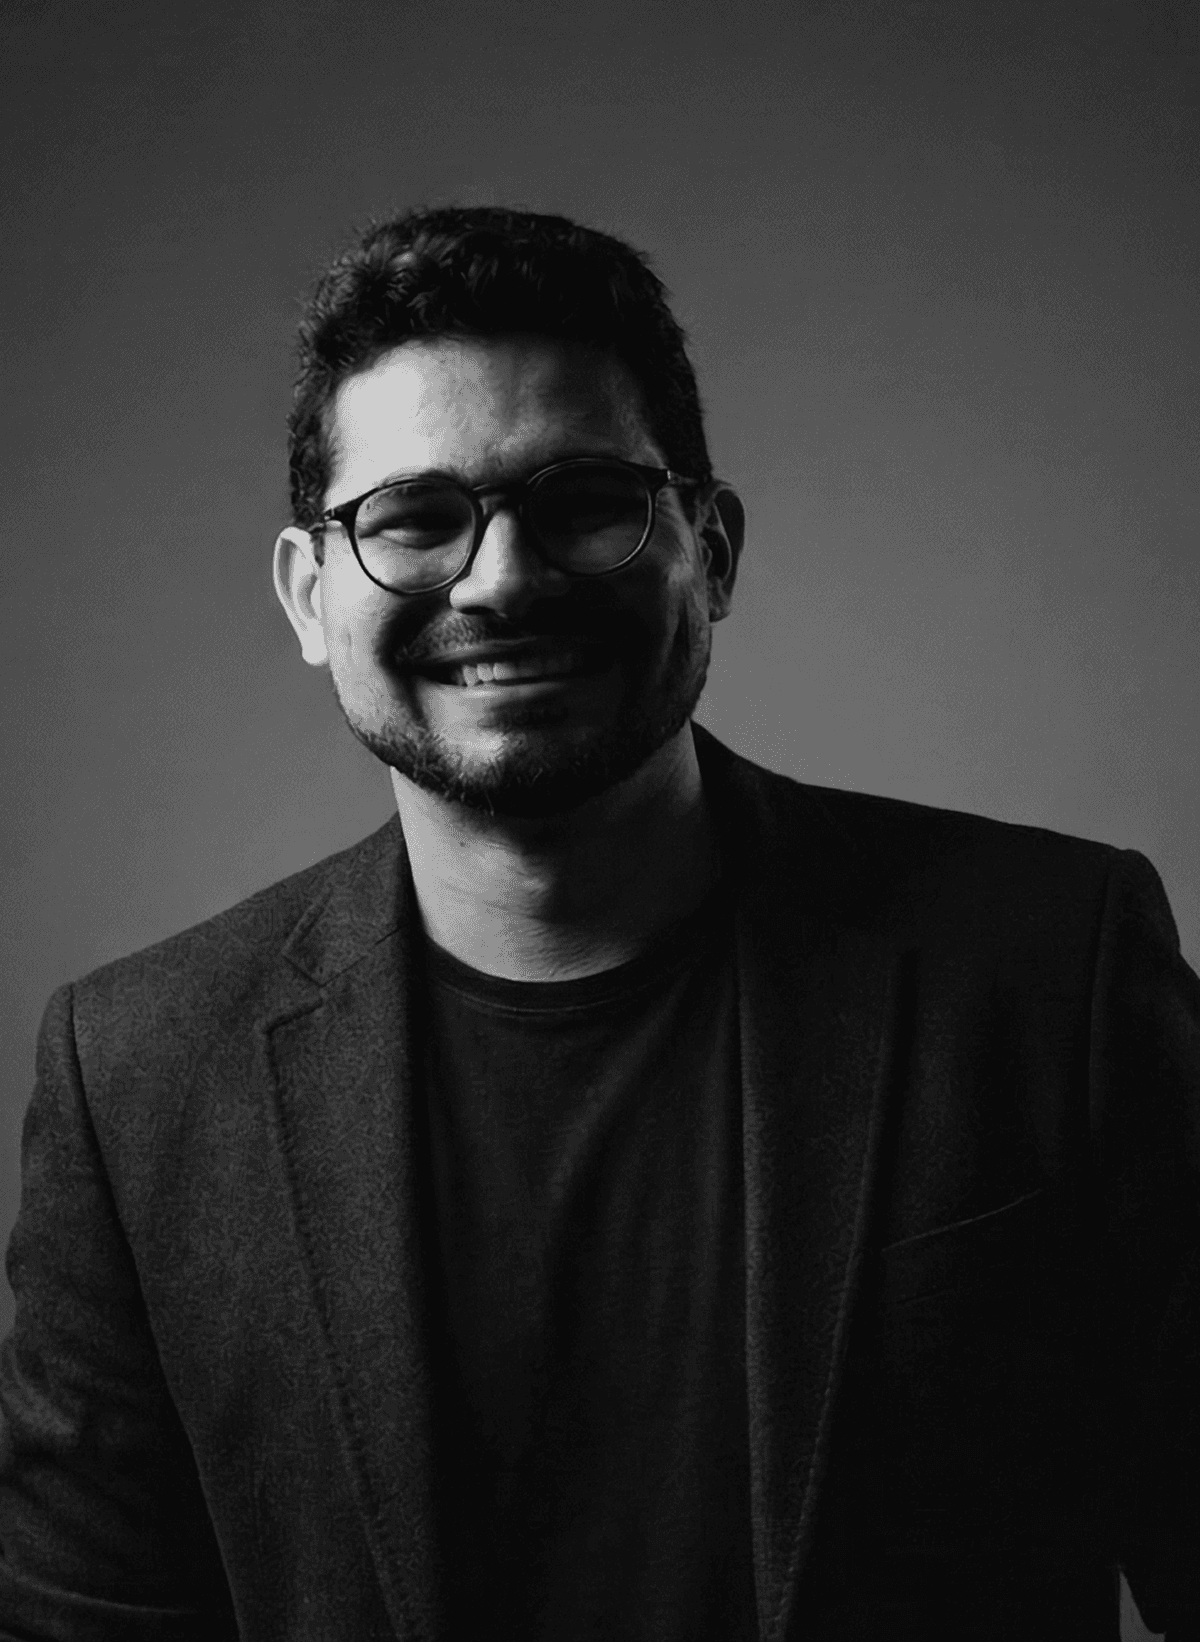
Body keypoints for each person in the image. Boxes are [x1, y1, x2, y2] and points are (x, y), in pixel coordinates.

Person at [0, 206, 1196, 1642]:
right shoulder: (136, 1080)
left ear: (713, 551)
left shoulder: (1051, 971)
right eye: (414, 519)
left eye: (583, 502)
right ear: (311, 598)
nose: (502, 579)